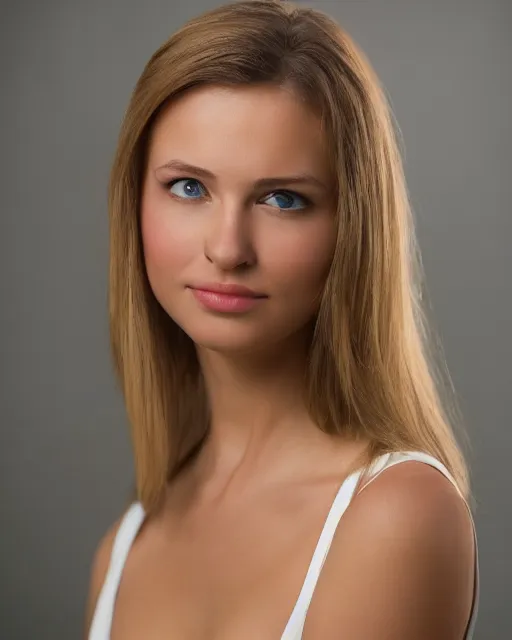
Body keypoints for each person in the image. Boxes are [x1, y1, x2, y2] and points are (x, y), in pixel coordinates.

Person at [84, 0, 479, 638]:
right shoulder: (124, 549)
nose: (227, 248)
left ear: (354, 227)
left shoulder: (397, 516)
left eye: (282, 199)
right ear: (134, 200)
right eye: (189, 187)